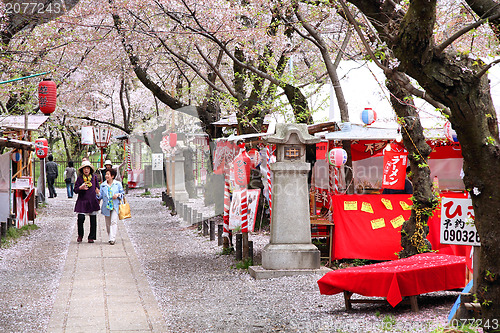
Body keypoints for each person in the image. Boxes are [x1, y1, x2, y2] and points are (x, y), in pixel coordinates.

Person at [74, 160, 100, 243]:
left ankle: (91, 237)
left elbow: (97, 188)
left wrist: (98, 193)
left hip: (92, 200)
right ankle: (80, 235)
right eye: (84, 168)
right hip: (82, 201)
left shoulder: (94, 177)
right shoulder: (80, 179)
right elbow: (75, 190)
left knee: (93, 219)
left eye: (88, 168)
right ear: (82, 170)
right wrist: (80, 188)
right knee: (80, 218)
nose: (86, 170)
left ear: (90, 170)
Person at [96, 168, 124, 245]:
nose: (106, 176)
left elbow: (122, 193)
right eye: (106, 174)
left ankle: (112, 238)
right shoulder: (103, 185)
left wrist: (118, 195)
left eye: (108, 174)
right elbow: (100, 196)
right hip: (106, 206)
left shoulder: (117, 184)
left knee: (114, 221)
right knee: (108, 224)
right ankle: (110, 236)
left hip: (115, 205)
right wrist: (98, 193)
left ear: (112, 176)